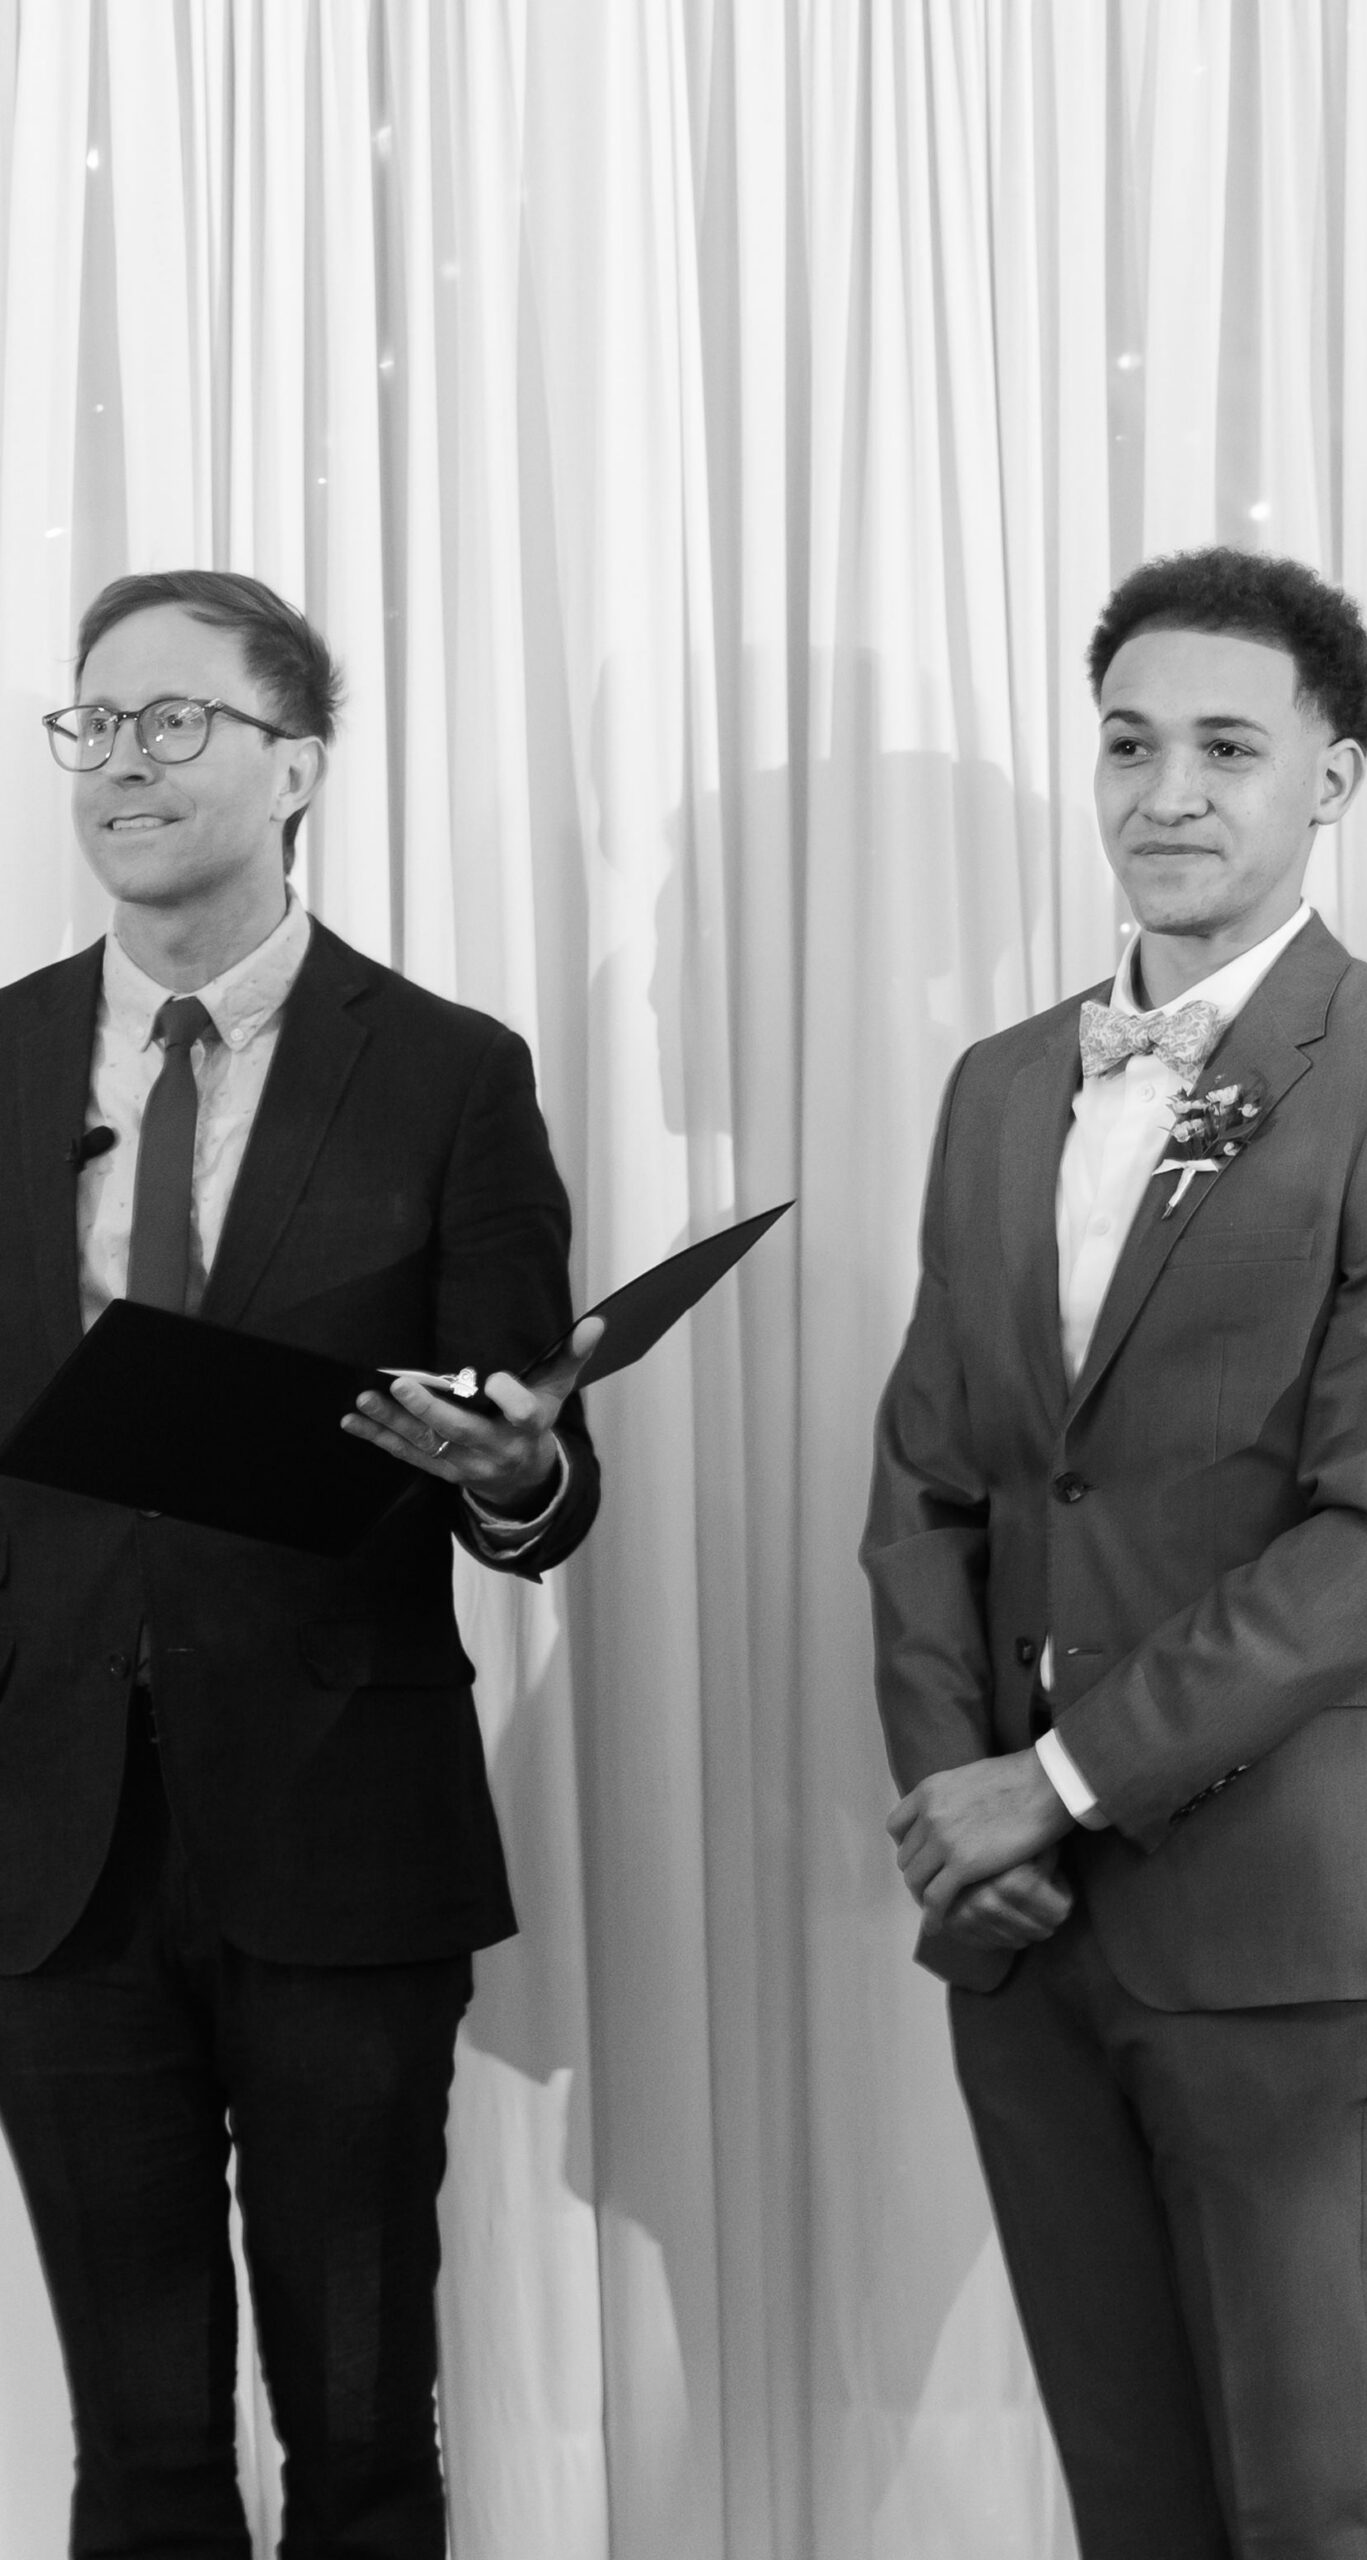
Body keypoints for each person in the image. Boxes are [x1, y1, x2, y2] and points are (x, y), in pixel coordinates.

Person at [862, 547, 1367, 2557]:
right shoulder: (1001, 1088)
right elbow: (932, 1487)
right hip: (1023, 1920)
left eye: (1227, 746)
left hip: (1283, 1917)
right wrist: (953, 1800)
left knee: (1310, 2503)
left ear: (1332, 771)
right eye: (1130, 742)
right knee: (1133, 2505)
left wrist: (1054, 1779)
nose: (1168, 790)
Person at [0, 570, 602, 2559]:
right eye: (95, 722)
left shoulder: (445, 1071)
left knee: (360, 2425)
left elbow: (535, 1452)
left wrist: (515, 1471)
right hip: (54, 1843)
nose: (123, 761)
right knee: (138, 2450)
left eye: (179, 719)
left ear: (299, 766)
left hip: (342, 1826)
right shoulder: (0, 1066)